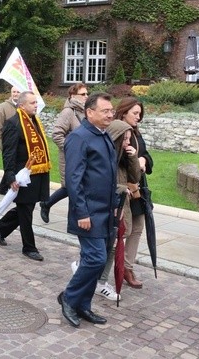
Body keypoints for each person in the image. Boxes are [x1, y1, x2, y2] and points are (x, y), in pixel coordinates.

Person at [58, 93, 117, 328]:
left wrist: (113, 207)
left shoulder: (103, 136)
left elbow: (108, 176)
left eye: (111, 110)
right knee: (96, 259)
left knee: (96, 261)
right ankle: (69, 299)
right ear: (90, 112)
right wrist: (82, 212)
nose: (111, 114)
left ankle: (83, 305)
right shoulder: (79, 138)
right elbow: (74, 180)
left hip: (104, 212)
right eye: (105, 111)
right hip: (88, 213)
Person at [0, 92, 50, 261]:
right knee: (25, 210)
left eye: (36, 102)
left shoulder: (34, 120)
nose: (36, 105)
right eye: (32, 103)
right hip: (22, 173)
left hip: (37, 171)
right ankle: (29, 247)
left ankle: (1, 227)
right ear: (22, 105)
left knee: (27, 207)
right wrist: (10, 177)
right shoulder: (13, 123)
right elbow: (8, 153)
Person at [89, 119, 139, 302]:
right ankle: (91, 277)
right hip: (106, 208)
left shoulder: (123, 158)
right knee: (103, 247)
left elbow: (135, 177)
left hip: (121, 208)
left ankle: (100, 281)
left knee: (113, 247)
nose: (127, 143)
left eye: (129, 139)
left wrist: (133, 157)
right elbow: (97, 181)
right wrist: (119, 188)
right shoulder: (104, 157)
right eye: (125, 139)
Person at [115, 97, 154, 289]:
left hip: (138, 188)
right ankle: (109, 267)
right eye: (135, 113)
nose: (138, 117)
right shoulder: (118, 132)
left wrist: (144, 161)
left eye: (140, 114)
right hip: (124, 188)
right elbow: (116, 160)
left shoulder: (135, 133)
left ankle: (127, 267)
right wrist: (133, 161)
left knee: (138, 227)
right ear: (123, 112)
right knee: (123, 230)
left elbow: (145, 153)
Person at [39, 83, 88, 222]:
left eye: (86, 94)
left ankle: (47, 204)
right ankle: (48, 204)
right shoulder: (68, 112)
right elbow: (56, 134)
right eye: (83, 94)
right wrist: (71, 148)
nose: (86, 96)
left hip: (82, 157)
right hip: (69, 157)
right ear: (73, 96)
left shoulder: (84, 111)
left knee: (75, 186)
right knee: (70, 187)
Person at [0, 86, 21, 194]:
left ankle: (3, 188)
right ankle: (5, 188)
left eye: (18, 91)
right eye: (14, 91)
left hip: (20, 142)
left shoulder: (23, 107)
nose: (15, 94)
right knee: (10, 164)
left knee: (16, 164)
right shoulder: (3, 107)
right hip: (7, 142)